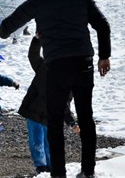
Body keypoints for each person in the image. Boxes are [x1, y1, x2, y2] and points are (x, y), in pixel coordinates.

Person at [0, 0, 112, 178]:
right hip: (83, 62)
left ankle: (58, 174)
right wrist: (104, 56)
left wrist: (1, 30)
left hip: (57, 65)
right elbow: (103, 25)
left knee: (55, 120)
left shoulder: (38, 1)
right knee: (86, 116)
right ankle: (88, 170)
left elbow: (11, 24)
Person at [19, 35, 78, 174]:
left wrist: (71, 122)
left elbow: (65, 105)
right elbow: (32, 55)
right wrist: (37, 40)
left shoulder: (68, 83)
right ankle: (40, 167)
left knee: (51, 143)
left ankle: (52, 166)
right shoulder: (44, 67)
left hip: (51, 117)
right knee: (36, 142)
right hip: (33, 111)